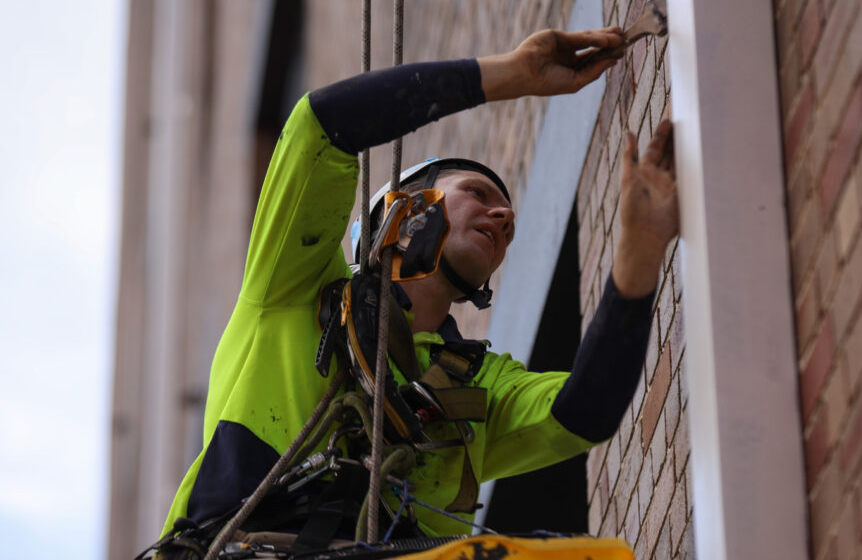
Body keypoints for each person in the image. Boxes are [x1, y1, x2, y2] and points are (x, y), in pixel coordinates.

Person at [157, 27, 679, 549]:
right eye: (477, 193)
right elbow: (319, 126)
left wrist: (641, 251)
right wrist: (513, 74)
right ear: (401, 211)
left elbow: (583, 411)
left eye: (510, 226)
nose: (503, 216)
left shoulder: (475, 388)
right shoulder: (292, 289)